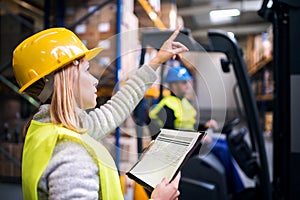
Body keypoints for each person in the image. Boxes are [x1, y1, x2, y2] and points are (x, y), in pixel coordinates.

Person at [12, 27, 188, 200]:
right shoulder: (70, 152)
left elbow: (116, 108)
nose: (95, 81)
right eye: (87, 70)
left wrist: (157, 60)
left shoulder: (47, 130)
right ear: (65, 77)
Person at [148, 63, 245, 194]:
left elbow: (188, 124)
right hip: (179, 148)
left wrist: (205, 125)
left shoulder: (183, 102)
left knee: (224, 142)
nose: (187, 85)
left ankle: (232, 186)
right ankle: (237, 190)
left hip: (189, 142)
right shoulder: (167, 106)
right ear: (174, 85)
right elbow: (171, 135)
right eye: (183, 82)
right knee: (222, 149)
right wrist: (199, 140)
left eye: (187, 82)